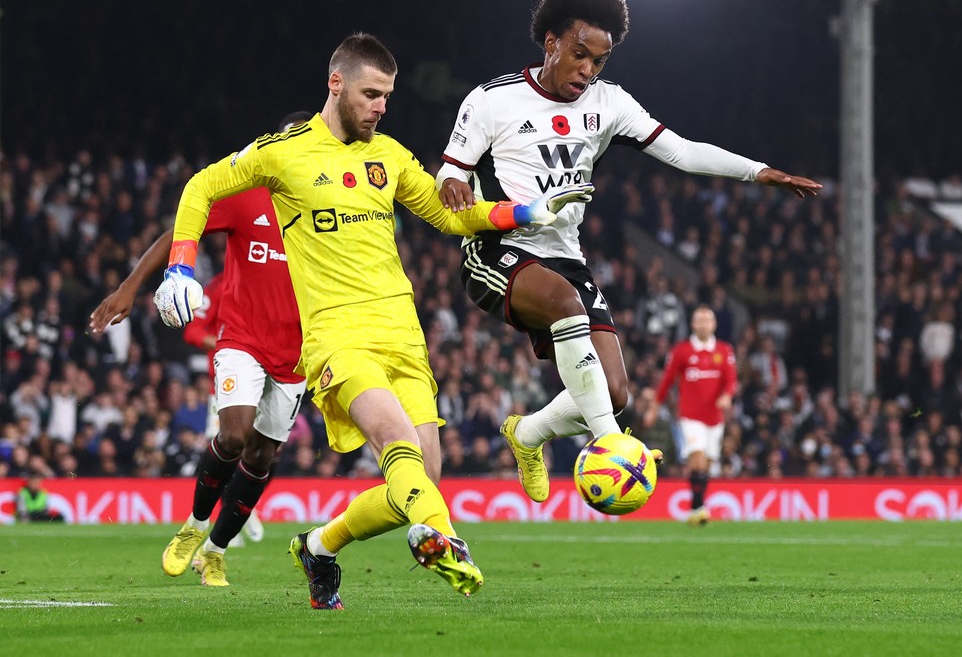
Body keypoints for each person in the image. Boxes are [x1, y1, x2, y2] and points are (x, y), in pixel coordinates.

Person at [150, 33, 592, 609]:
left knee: (421, 479)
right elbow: (202, 186)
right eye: (371, 94)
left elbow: (451, 217)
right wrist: (181, 264)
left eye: (387, 96)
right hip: (337, 338)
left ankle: (319, 546)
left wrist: (523, 212)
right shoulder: (284, 152)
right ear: (336, 84)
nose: (382, 107)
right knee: (397, 445)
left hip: (402, 335)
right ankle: (446, 539)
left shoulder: (390, 156)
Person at [436, 0, 820, 502]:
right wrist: (454, 182)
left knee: (614, 392)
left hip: (566, 255)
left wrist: (759, 172)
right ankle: (611, 445)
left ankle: (527, 434)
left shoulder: (609, 103)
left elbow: (682, 152)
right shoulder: (491, 101)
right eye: (579, 54)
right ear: (550, 43)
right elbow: (448, 174)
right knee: (566, 311)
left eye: (599, 61)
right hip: (497, 248)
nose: (587, 70)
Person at [90, 111, 313, 586]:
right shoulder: (245, 196)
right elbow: (180, 229)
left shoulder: (323, 210)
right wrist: (130, 286)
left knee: (262, 458)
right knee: (234, 436)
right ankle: (193, 526)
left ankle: (215, 550)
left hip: (298, 354)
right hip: (242, 339)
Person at [653, 306, 737, 525]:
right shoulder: (682, 351)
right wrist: (655, 406)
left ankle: (696, 506)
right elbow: (667, 379)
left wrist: (727, 396)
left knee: (707, 463)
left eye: (707, 320)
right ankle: (698, 509)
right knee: (697, 458)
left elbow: (730, 380)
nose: (703, 324)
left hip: (715, 418)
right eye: (699, 320)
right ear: (693, 324)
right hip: (690, 416)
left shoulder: (724, 350)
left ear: (714, 324)